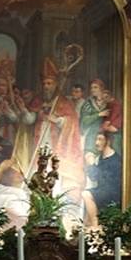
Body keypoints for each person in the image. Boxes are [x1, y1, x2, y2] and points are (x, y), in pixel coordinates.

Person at [29, 58, 83, 193]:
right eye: (44, 84)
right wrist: (36, 113)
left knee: (52, 166)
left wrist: (57, 120)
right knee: (38, 165)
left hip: (55, 140)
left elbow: (72, 121)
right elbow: (30, 119)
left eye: (49, 83)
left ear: (55, 84)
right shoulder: (37, 100)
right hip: (39, 138)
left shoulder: (64, 102)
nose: (46, 86)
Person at [82, 132, 122, 227]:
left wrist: (91, 164)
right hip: (103, 190)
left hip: (112, 193)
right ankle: (88, 226)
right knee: (86, 215)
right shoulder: (101, 158)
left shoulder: (115, 160)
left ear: (108, 141)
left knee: (86, 194)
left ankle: (95, 226)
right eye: (96, 139)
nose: (96, 143)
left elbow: (99, 177)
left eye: (100, 139)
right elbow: (93, 178)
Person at [80, 79, 110, 155]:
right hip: (92, 135)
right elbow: (84, 121)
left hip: (106, 135)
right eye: (91, 88)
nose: (92, 90)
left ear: (101, 88)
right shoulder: (88, 103)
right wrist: (99, 115)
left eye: (95, 87)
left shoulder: (108, 101)